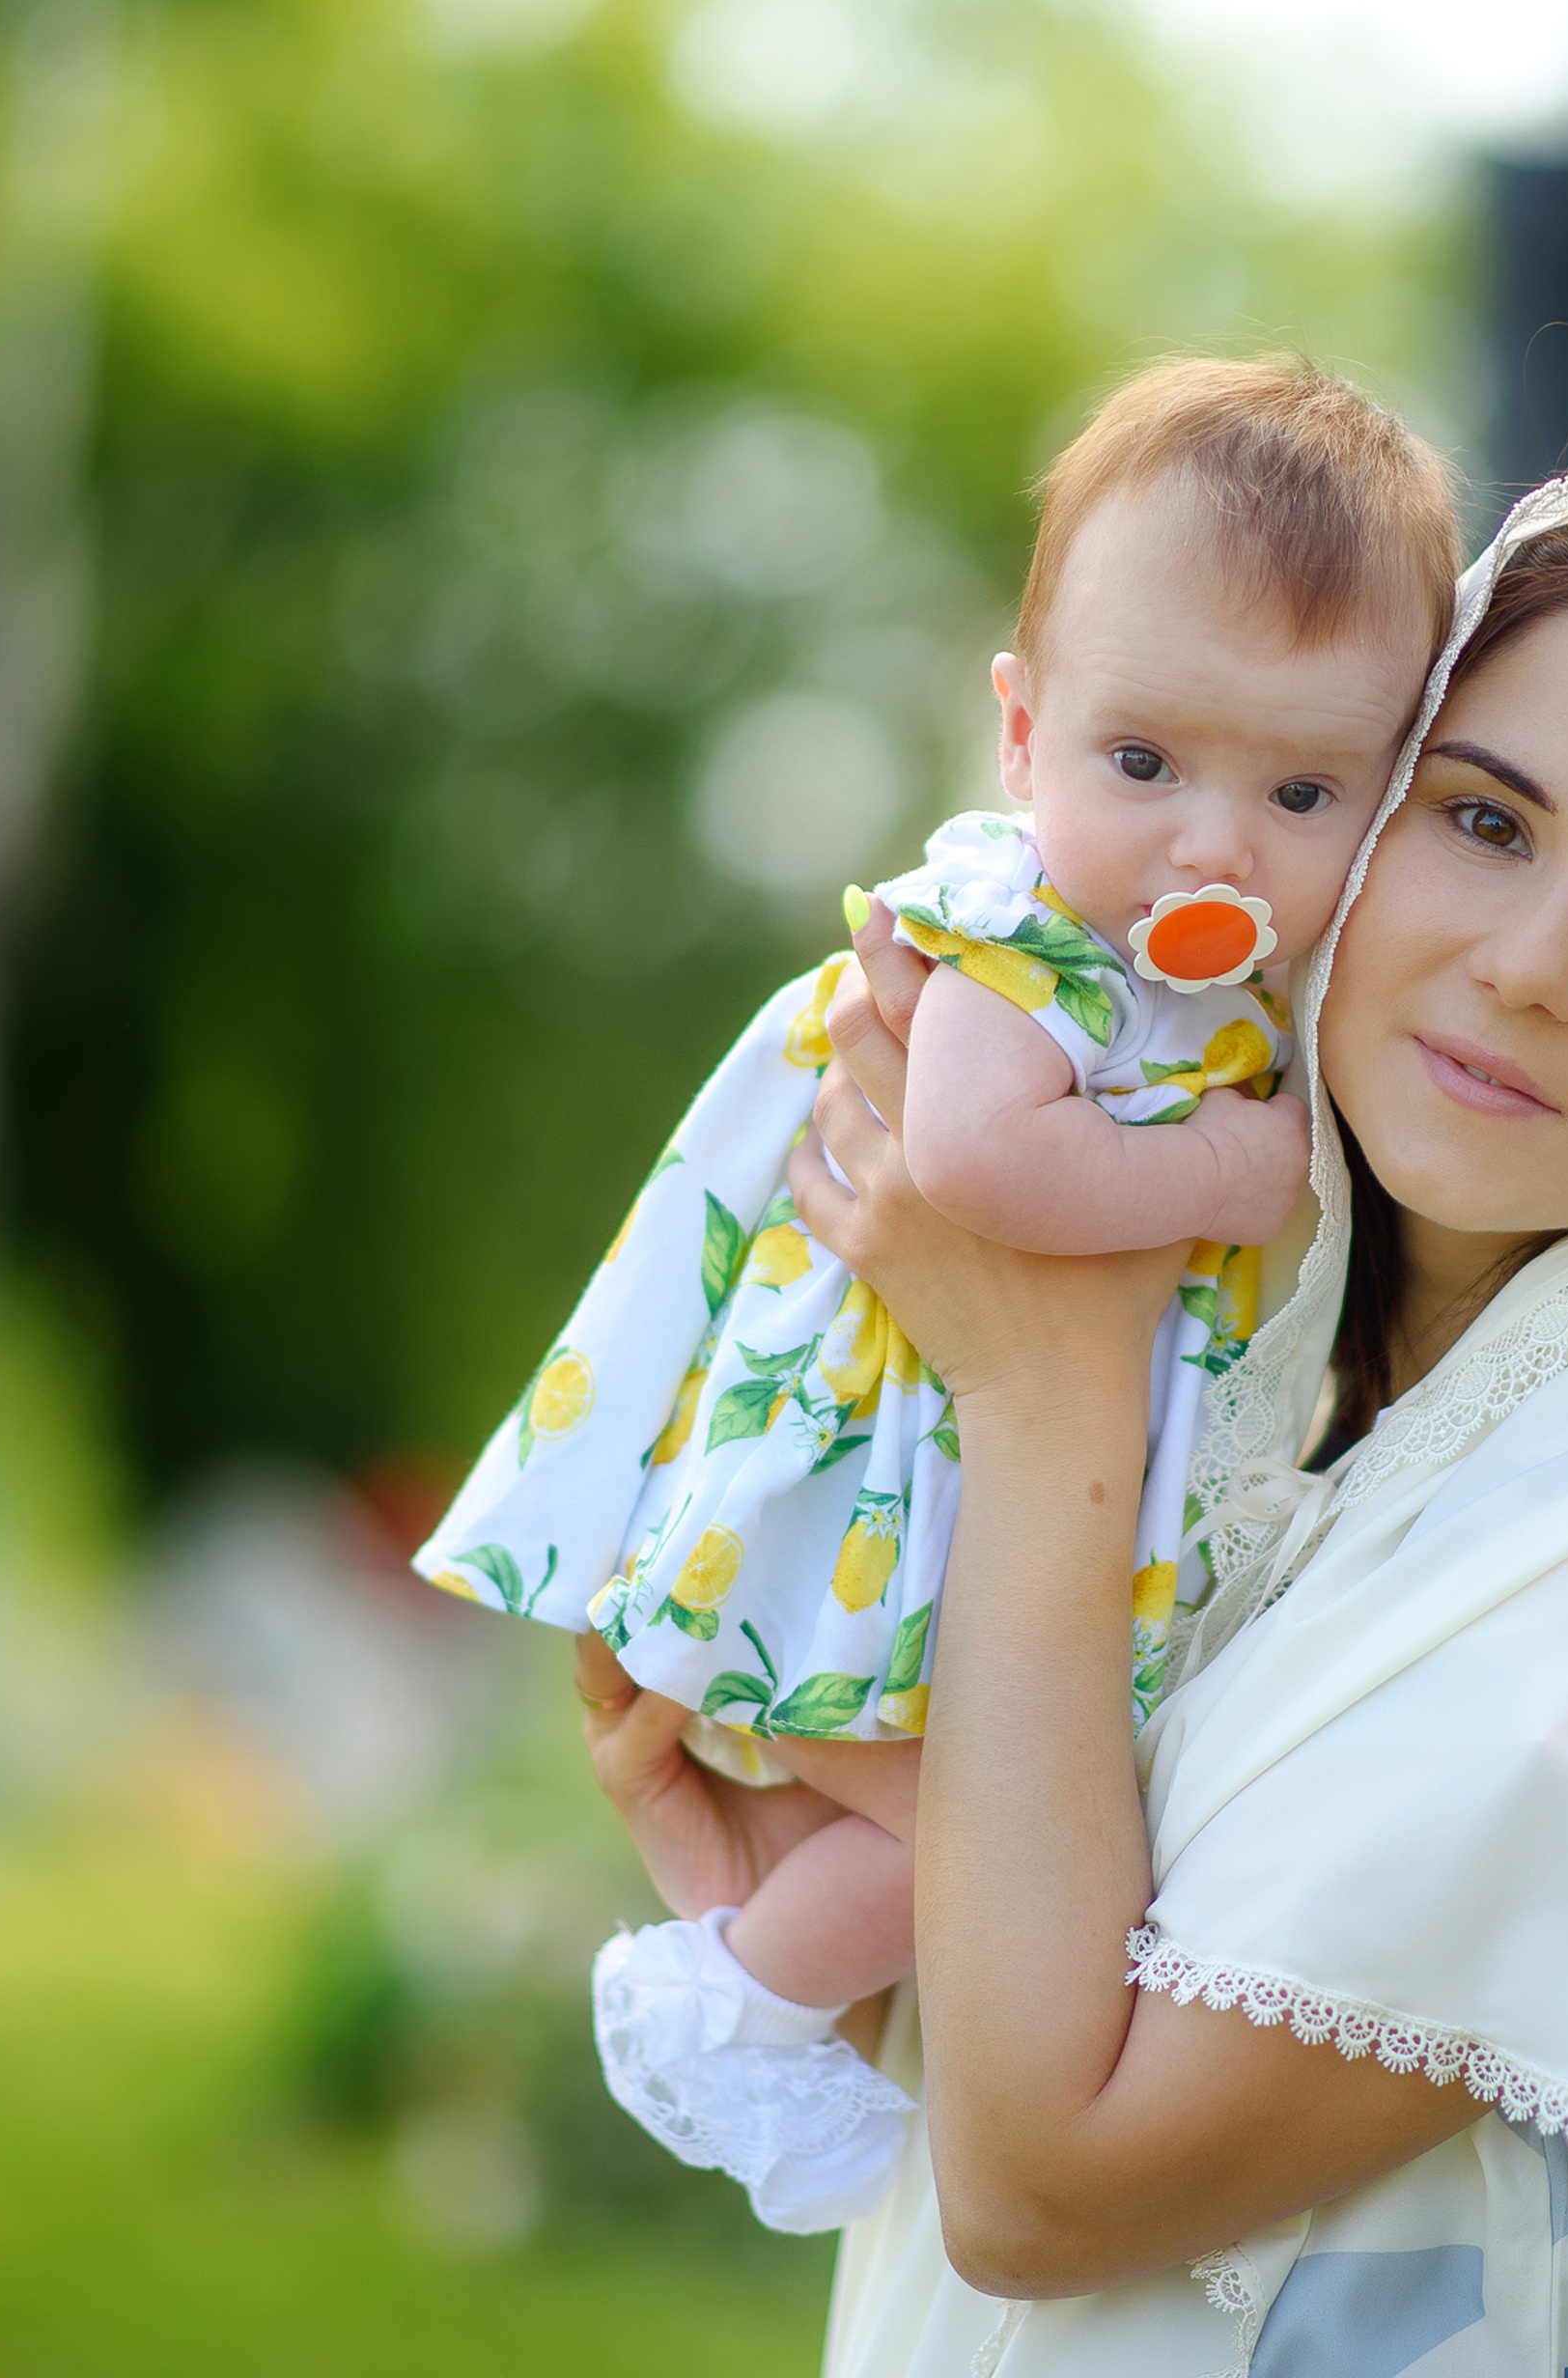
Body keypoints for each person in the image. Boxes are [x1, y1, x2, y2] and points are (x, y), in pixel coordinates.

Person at [578, 436, 1568, 2378]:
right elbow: (1049, 2065)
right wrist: (820, 1909)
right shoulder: (1280, 1390)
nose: (1525, 968)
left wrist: (1037, 1395)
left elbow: (1046, 2187)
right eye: (1481, 820)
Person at [410, 354, 1462, 2230]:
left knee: (957, 1834)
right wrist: (1217, 1175)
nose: (1210, 840)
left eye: (1299, 786)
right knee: (970, 1840)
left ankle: (748, 1962)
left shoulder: (1207, 988)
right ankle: (726, 1999)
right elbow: (974, 1162)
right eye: (1141, 762)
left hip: (969, 1502)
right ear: (1019, 734)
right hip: (855, 1493)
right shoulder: (1006, 936)